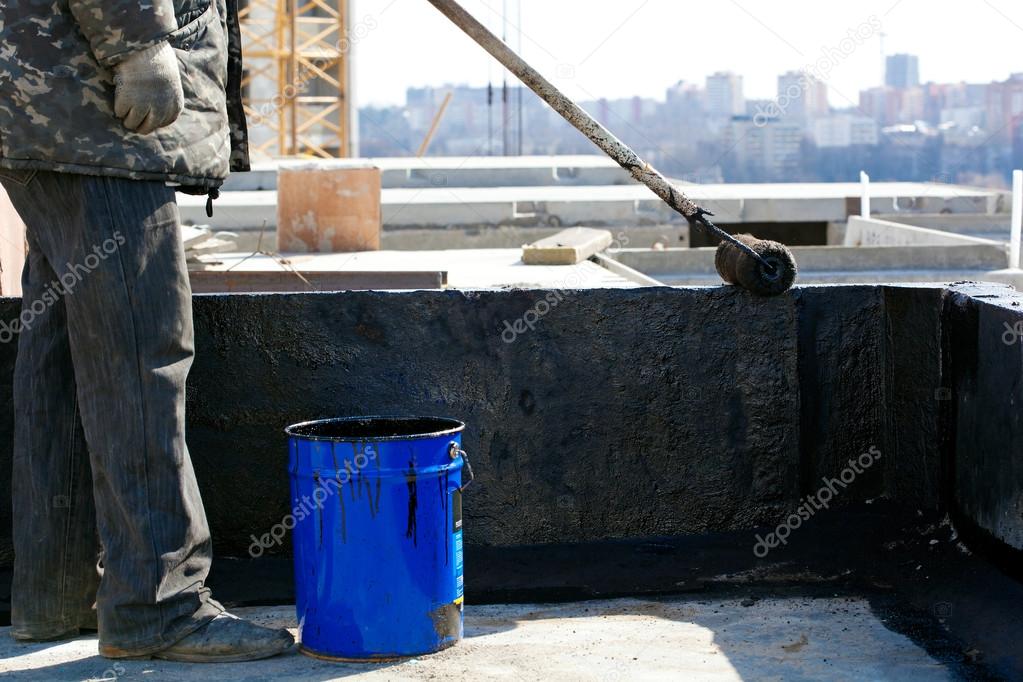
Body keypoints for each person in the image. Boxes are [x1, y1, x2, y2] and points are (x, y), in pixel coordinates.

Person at [0, 0, 294, 663]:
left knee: (67, 355)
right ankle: (157, 604)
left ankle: (53, 595)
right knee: (141, 348)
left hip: (52, 96)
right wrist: (134, 43)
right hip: (89, 103)